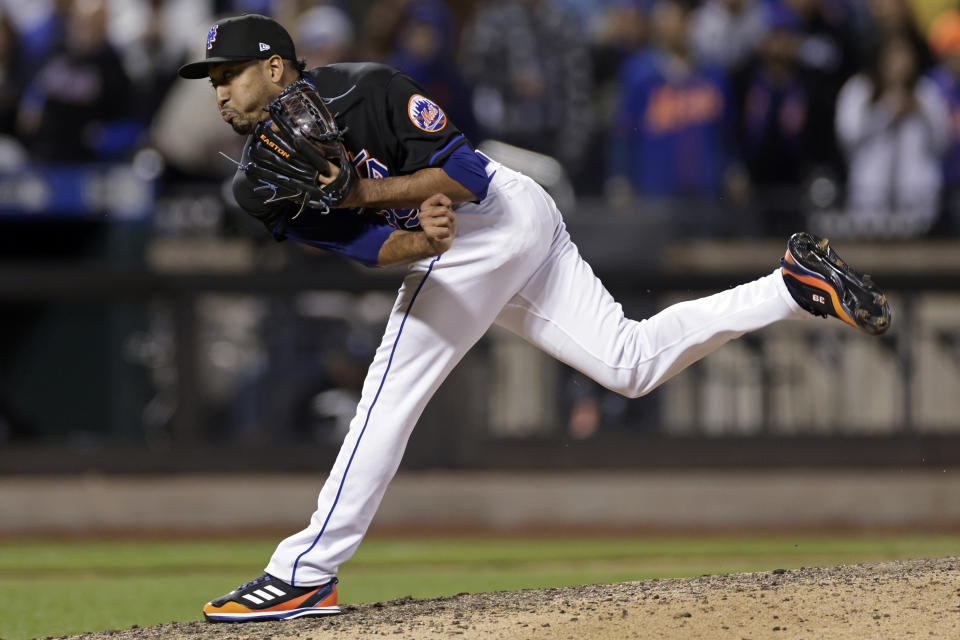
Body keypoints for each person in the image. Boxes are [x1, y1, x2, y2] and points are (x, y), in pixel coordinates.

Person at [177, 13, 890, 622]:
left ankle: (304, 574)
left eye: (228, 73)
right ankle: (789, 286)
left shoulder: (367, 88)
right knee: (628, 364)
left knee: (387, 397)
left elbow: (468, 175)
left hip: (501, 215)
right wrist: (419, 242)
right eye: (211, 80)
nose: (218, 91)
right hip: (463, 245)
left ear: (275, 70)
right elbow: (366, 245)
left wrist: (372, 191)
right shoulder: (257, 188)